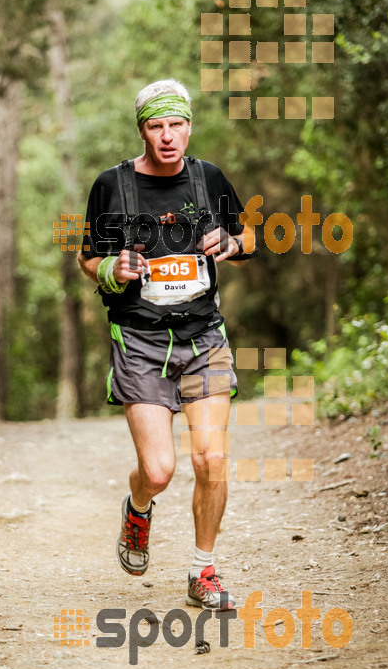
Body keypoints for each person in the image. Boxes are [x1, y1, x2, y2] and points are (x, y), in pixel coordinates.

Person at [77, 79, 257, 611]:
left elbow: (250, 237)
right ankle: (138, 508)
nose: (168, 136)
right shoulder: (112, 185)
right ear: (143, 130)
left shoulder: (209, 180)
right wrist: (112, 268)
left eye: (176, 124)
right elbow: (88, 257)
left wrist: (229, 243)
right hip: (139, 339)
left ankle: (203, 570)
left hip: (204, 337)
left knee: (212, 459)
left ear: (189, 126)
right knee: (159, 470)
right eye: (157, 126)